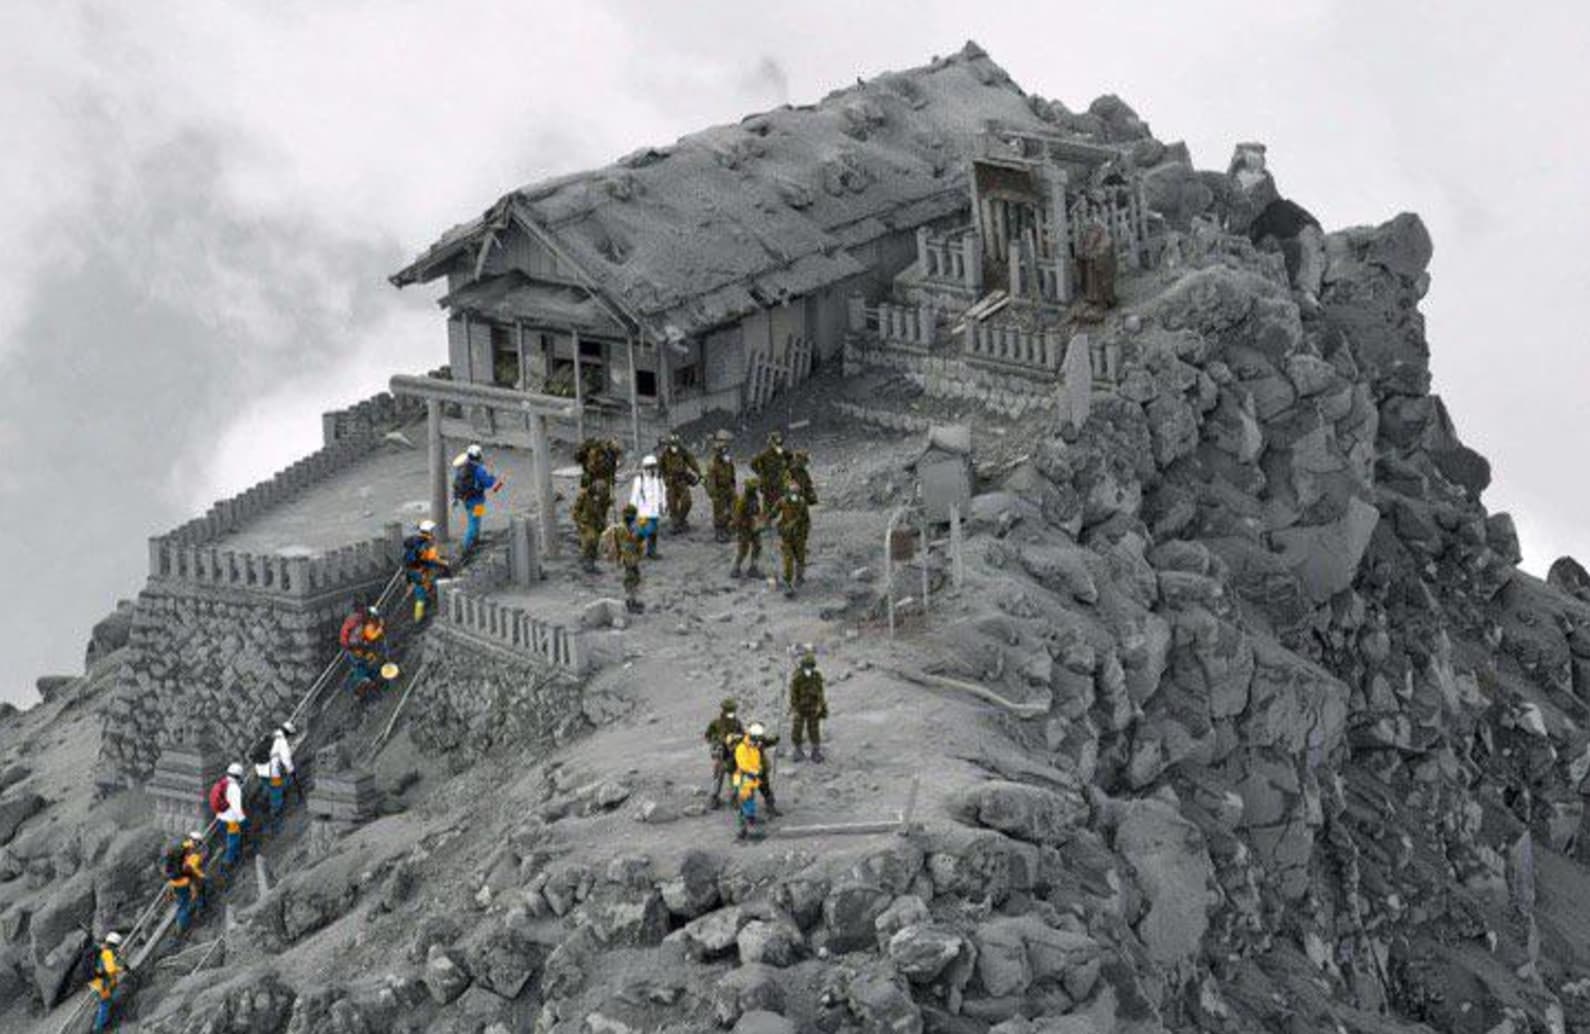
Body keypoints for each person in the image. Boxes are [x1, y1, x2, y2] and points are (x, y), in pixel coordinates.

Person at [452, 443, 504, 555]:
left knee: (475, 519)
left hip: (466, 499)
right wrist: (494, 477)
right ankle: (465, 548)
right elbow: (489, 484)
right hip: (477, 501)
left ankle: (475, 540)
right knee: (474, 522)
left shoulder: (462, 466)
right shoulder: (479, 470)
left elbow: (456, 483)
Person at [403, 520, 450, 622]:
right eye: (432, 530)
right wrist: (444, 562)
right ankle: (418, 618)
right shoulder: (427, 543)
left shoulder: (416, 540)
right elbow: (432, 559)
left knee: (422, 590)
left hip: (412, 571)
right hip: (420, 572)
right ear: (429, 531)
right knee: (420, 596)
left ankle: (422, 606)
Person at [340, 605, 388, 700]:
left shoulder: (357, 620)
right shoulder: (360, 627)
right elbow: (370, 637)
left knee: (364, 667)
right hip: (357, 652)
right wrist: (379, 630)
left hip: (355, 651)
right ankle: (363, 690)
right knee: (363, 669)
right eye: (373, 617)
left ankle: (366, 687)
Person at [773, 480, 812, 597]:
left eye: (796, 492)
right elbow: (773, 513)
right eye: (792, 492)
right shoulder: (782, 502)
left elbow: (806, 520)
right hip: (787, 536)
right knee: (788, 560)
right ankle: (787, 583)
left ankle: (799, 577)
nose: (794, 495)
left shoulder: (802, 503)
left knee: (801, 559)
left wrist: (805, 534)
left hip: (799, 535)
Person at [704, 697, 744, 809]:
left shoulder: (737, 723)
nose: (731, 712)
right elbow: (708, 736)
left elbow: (743, 736)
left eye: (732, 710)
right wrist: (715, 743)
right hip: (721, 756)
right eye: (729, 710)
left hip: (734, 756)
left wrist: (737, 739)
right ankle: (714, 798)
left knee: (735, 778)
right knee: (718, 778)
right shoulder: (716, 723)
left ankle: (734, 798)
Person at [657, 433, 702, 533]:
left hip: (682, 480)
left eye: (676, 444)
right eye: (672, 444)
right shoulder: (664, 454)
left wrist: (698, 472)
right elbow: (660, 469)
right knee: (672, 504)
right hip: (671, 482)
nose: (674, 447)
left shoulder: (683, 452)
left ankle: (681, 520)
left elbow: (692, 461)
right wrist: (663, 479)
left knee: (687, 501)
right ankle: (675, 522)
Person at [731, 723, 768, 841]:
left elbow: (756, 763)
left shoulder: (754, 748)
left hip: (750, 779)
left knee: (750, 799)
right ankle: (743, 829)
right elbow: (743, 765)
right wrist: (756, 771)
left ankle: (751, 819)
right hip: (743, 778)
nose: (760, 741)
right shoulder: (742, 748)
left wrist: (759, 769)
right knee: (744, 802)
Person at [605, 504, 645, 613]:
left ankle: (633, 600)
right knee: (630, 579)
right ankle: (630, 602)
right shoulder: (622, 528)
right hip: (628, 558)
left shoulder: (627, 527)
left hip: (632, 557)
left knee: (635, 578)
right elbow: (628, 542)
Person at [789, 651, 828, 762]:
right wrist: (795, 708)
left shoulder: (817, 677)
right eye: (806, 667)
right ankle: (798, 750)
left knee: (814, 730)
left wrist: (821, 706)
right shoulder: (797, 678)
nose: (808, 669)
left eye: (810, 667)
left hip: (813, 707)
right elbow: (793, 694)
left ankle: (815, 752)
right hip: (800, 708)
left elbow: (820, 692)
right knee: (797, 729)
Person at [575, 436, 622, 523]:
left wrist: (612, 482)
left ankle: (599, 521)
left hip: (600, 481)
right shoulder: (600, 452)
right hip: (591, 480)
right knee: (588, 502)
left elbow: (612, 470)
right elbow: (588, 465)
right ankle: (591, 521)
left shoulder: (611, 455)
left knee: (602, 504)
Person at [629, 455, 667, 560]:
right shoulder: (639, 479)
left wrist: (663, 505)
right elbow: (634, 495)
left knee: (653, 532)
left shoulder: (658, 479)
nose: (651, 470)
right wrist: (632, 510)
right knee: (643, 531)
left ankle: (651, 552)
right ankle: (633, 549)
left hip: (654, 511)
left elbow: (662, 492)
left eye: (653, 467)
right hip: (643, 511)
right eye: (649, 467)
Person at [165, 834, 203, 935]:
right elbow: (190, 869)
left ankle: (179, 924)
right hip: (183, 882)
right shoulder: (190, 853)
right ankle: (181, 928)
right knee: (185, 904)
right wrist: (200, 875)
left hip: (174, 882)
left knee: (181, 904)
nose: (198, 845)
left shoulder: (180, 847)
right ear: (195, 841)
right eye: (198, 843)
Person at [1077, 220, 1117, 312]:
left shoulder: (1107, 240)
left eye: (1095, 230)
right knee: (1090, 285)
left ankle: (1105, 301)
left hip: (1101, 270)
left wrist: (1093, 255)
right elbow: (1080, 250)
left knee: (1101, 285)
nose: (1092, 234)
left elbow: (1103, 253)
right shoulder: (1086, 238)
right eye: (1091, 231)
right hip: (1089, 268)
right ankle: (1091, 299)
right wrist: (1083, 253)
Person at [88, 931, 125, 1032]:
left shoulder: (102, 951)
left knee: (106, 1003)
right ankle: (98, 1029)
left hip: (96, 983)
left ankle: (103, 1025)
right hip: (102, 985)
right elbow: (110, 969)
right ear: (115, 944)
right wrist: (122, 969)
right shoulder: (108, 953)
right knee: (105, 1005)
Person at [704, 431, 737, 543]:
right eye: (723, 450)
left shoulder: (728, 461)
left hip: (729, 488)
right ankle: (720, 531)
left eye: (726, 450)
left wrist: (733, 486)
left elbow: (732, 473)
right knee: (719, 511)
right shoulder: (713, 463)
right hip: (719, 490)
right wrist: (713, 494)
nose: (725, 452)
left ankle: (728, 527)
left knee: (733, 509)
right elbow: (711, 480)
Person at [730, 477, 765, 580]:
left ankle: (753, 568)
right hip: (744, 528)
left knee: (757, 546)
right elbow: (737, 516)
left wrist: (759, 521)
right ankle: (736, 568)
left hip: (753, 527)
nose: (755, 489)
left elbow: (757, 510)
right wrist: (743, 524)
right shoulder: (743, 501)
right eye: (753, 488)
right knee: (743, 549)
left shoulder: (754, 498)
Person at [213, 762, 246, 867]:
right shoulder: (235, 788)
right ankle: (227, 863)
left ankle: (226, 853)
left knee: (226, 838)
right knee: (233, 840)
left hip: (220, 819)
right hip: (231, 821)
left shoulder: (221, 784)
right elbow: (237, 809)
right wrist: (243, 820)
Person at [573, 475, 606, 574]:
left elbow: (599, 510)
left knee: (595, 542)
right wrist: (579, 523)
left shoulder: (598, 496)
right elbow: (575, 511)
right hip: (585, 523)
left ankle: (590, 562)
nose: (601, 492)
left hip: (595, 523)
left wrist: (602, 522)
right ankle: (587, 563)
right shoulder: (584, 495)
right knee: (590, 540)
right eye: (600, 489)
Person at [750, 431, 788, 513]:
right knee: (768, 506)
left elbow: (790, 460)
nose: (778, 446)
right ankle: (767, 521)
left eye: (780, 443)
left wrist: (785, 470)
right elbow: (753, 464)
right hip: (768, 484)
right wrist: (760, 473)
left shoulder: (782, 453)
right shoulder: (765, 454)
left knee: (780, 504)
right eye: (776, 443)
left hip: (779, 483)